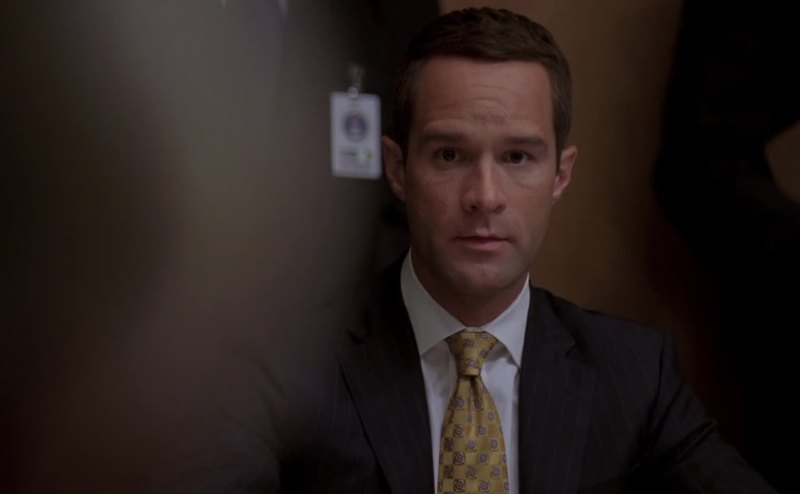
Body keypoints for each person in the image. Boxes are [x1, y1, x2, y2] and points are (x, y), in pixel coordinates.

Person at [234, 7, 778, 493]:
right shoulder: (284, 370)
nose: (485, 196)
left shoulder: (634, 375)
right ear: (397, 169)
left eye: (518, 157)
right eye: (450, 155)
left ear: (560, 175)